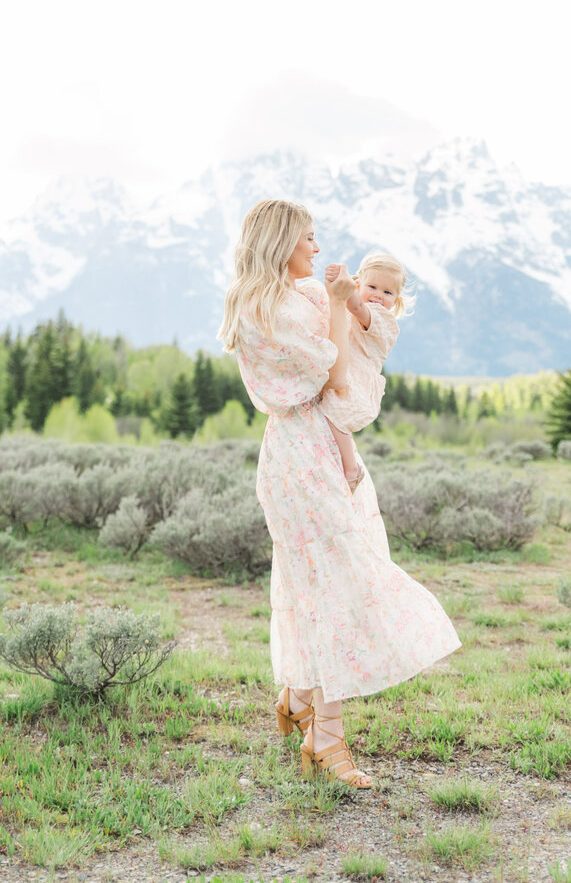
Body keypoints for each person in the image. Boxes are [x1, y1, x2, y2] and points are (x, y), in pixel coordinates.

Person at [219, 199, 461, 790]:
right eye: (308, 238)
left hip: (323, 448)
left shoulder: (298, 292)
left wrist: (354, 301)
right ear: (281, 242)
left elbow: (363, 339)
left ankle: (298, 696)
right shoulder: (262, 309)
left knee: (320, 580)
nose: (318, 249)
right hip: (300, 457)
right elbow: (329, 374)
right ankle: (325, 734)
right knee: (336, 583)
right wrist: (333, 302)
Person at [321, 250, 411, 493]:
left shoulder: (382, 319)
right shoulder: (352, 306)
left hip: (356, 379)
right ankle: (345, 463)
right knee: (333, 417)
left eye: (387, 292)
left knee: (335, 414)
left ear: (396, 299)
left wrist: (342, 285)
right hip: (345, 370)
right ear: (359, 282)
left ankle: (350, 469)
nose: (379, 296)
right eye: (372, 286)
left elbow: (357, 306)